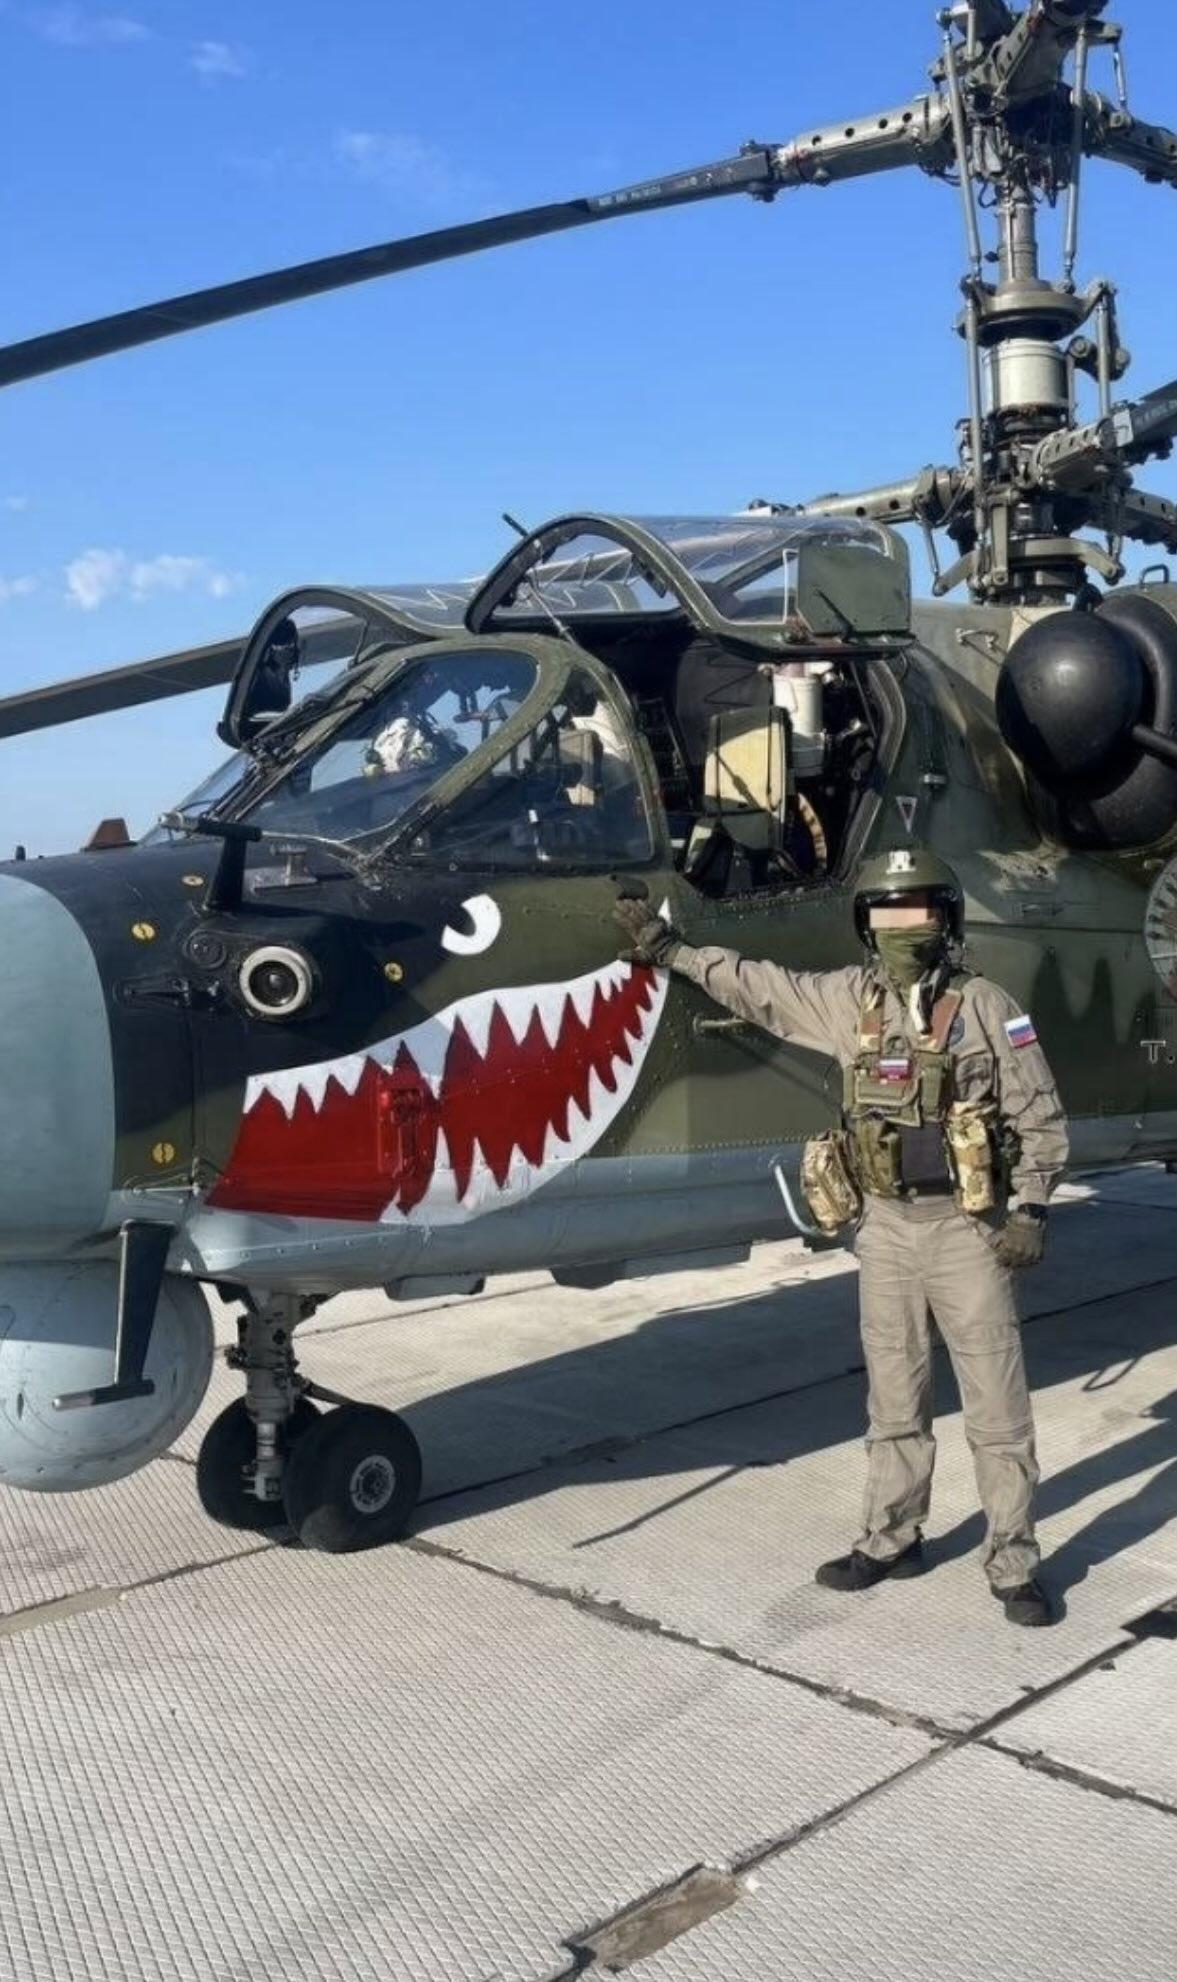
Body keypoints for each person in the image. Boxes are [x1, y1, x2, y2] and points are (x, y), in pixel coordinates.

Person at [612, 847, 1069, 1628]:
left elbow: (1039, 1115)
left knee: (996, 1410)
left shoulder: (990, 1007)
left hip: (967, 1231)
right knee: (892, 1399)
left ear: (946, 920)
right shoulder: (843, 1001)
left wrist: (1030, 1208)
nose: (902, 929)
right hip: (884, 1230)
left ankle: (1013, 1562)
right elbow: (756, 986)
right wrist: (670, 950)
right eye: (886, 915)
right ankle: (890, 1538)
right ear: (864, 925)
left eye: (917, 913)